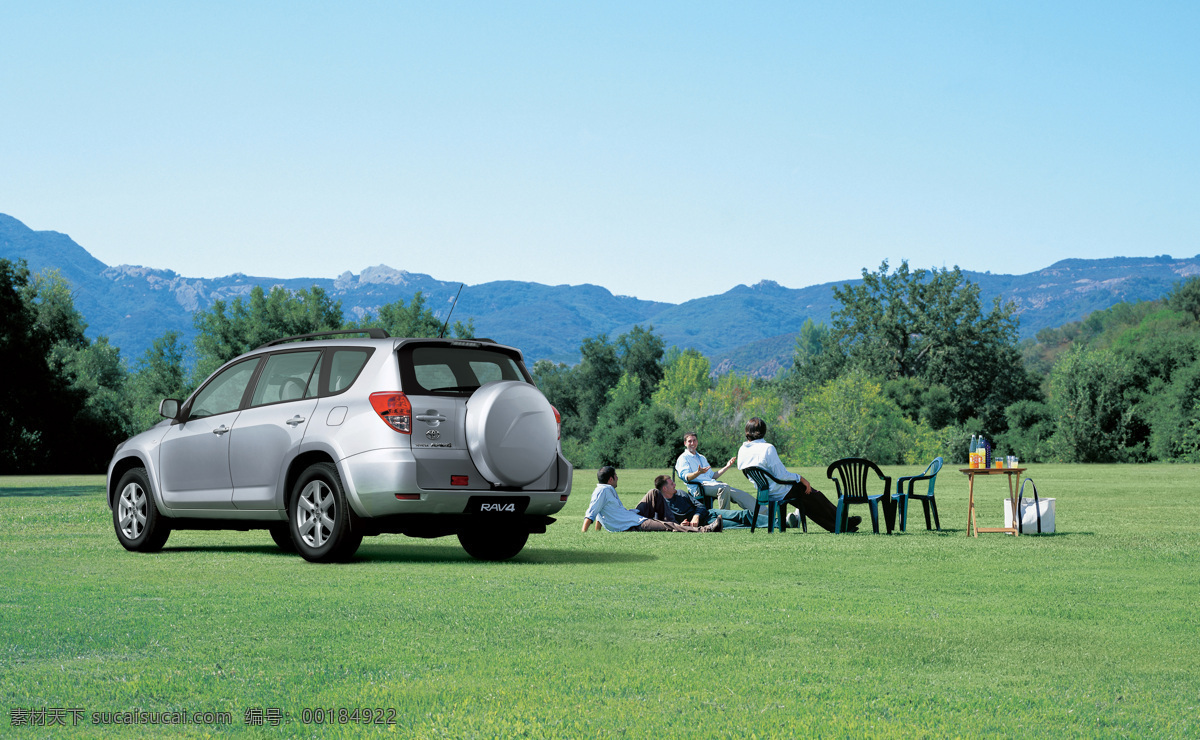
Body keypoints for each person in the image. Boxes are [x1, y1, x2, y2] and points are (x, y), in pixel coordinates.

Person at [735, 417, 862, 533]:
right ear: (763, 431)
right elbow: (782, 476)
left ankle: (839, 525)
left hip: (764, 490)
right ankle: (844, 521)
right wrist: (801, 478)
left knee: (810, 502)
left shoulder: (742, 450)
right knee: (817, 497)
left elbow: (746, 471)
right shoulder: (767, 448)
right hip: (781, 489)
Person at [582, 466, 722, 533]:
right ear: (611, 479)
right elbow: (591, 513)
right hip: (631, 524)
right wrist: (584, 534)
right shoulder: (602, 491)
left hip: (632, 515)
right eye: (616, 475)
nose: (618, 477)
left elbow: (600, 513)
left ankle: (674, 522)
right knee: (666, 527)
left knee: (654, 493)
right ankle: (706, 529)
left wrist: (597, 533)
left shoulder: (606, 490)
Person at [637, 474, 768, 530]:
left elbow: (700, 506)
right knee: (739, 525)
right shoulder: (662, 506)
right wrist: (680, 524)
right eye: (672, 484)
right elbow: (665, 524)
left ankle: (781, 522)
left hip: (710, 513)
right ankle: (769, 524)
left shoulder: (681, 493)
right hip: (708, 523)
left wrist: (696, 515)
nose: (675, 485)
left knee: (743, 515)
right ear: (664, 488)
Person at [674, 431, 756, 510]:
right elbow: (686, 477)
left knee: (740, 494)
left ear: (697, 442)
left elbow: (712, 476)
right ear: (685, 443)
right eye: (689, 441)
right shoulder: (683, 458)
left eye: (694, 440)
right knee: (724, 488)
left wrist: (727, 466)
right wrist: (698, 473)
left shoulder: (701, 457)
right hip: (698, 488)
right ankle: (724, 518)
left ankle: (763, 513)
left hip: (711, 484)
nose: (692, 443)